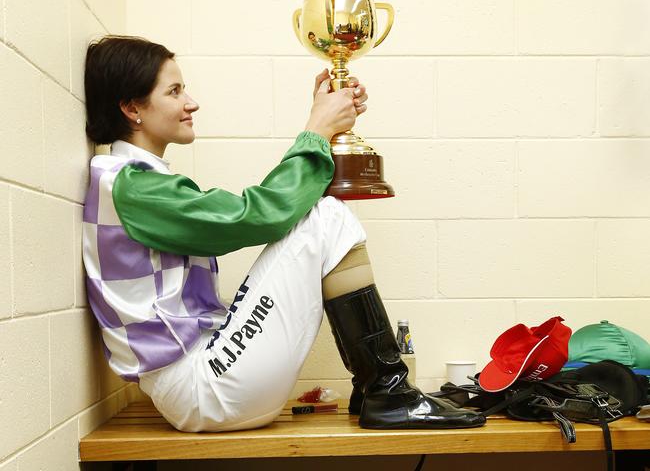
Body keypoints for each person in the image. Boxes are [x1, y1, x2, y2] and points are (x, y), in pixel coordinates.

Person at [82, 35, 484, 432]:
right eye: (174, 91)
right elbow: (257, 217)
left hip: (204, 379)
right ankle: (388, 391)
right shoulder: (130, 186)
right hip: (201, 389)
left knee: (325, 216)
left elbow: (263, 214)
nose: (191, 102)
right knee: (327, 217)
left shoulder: (133, 181)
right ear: (132, 107)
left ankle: (379, 387)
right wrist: (318, 129)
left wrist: (321, 123)